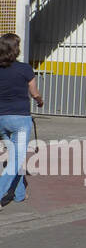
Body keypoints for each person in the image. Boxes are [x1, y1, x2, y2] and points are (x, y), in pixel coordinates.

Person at [0, 33, 43, 208]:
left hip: (1, 120)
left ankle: (18, 195)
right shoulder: (25, 69)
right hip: (20, 120)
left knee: (14, 158)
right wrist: (40, 101)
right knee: (16, 160)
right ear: (16, 50)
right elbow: (35, 94)